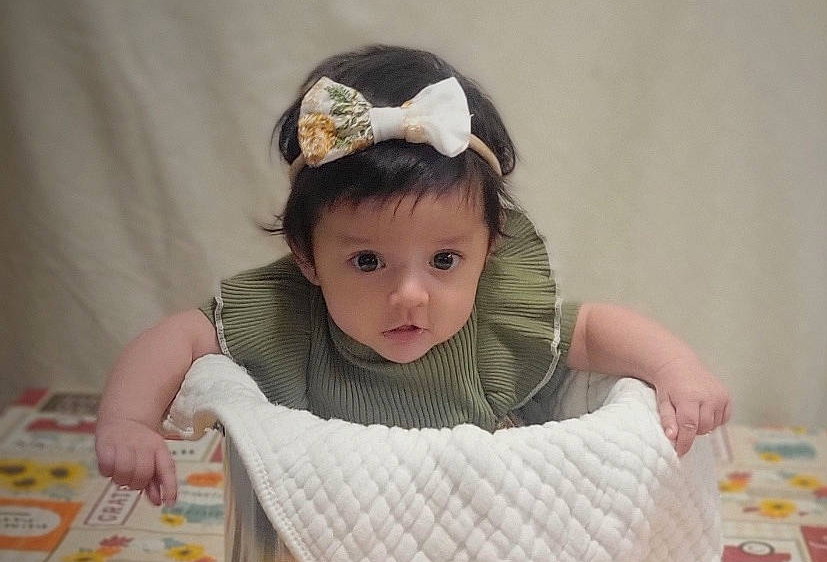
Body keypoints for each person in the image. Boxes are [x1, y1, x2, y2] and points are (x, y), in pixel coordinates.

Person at [95, 44, 731, 506]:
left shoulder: (488, 326)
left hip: (471, 536)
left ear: (489, 250)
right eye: (367, 261)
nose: (409, 294)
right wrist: (129, 421)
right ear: (307, 256)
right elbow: (177, 338)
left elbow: (592, 329)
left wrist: (676, 370)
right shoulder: (290, 323)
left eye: (445, 260)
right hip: (328, 537)